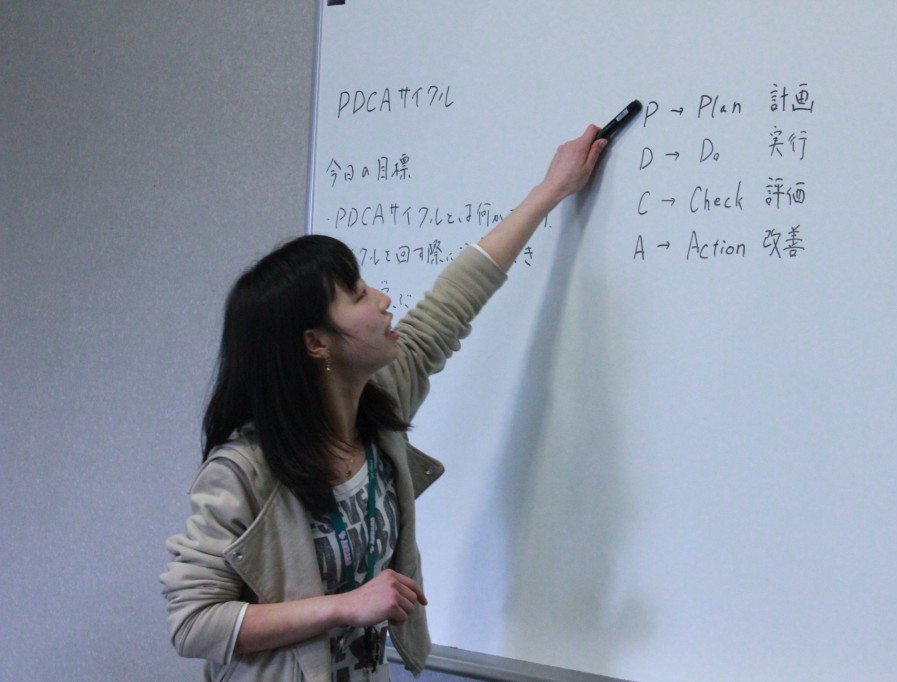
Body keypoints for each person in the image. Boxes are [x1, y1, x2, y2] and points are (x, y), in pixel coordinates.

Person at [161, 124, 608, 681]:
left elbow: (453, 300)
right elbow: (193, 622)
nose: (383, 298)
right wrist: (345, 607)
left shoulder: (379, 403)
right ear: (316, 343)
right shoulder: (244, 470)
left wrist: (551, 190)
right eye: (358, 295)